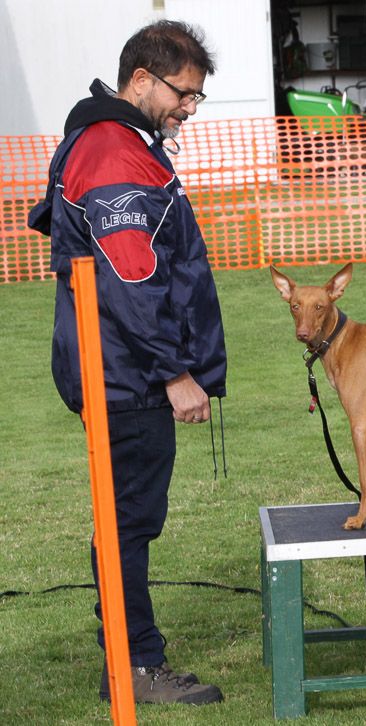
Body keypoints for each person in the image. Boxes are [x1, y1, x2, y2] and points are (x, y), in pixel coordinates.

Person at [28, 21, 227, 705]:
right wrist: (175, 373)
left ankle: (127, 654)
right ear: (140, 79)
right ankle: (137, 665)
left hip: (116, 366)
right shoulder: (115, 152)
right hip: (128, 375)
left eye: (197, 97)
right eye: (183, 93)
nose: (189, 108)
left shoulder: (117, 144)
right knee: (127, 524)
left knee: (125, 519)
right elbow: (132, 280)